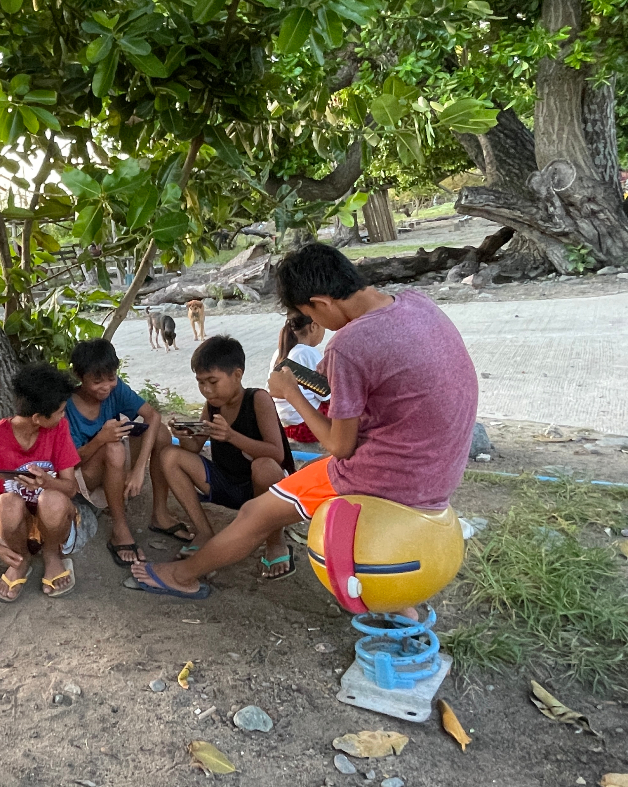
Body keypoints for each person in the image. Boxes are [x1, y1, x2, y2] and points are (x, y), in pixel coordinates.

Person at [129, 242, 478, 603]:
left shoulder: (349, 344)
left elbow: (340, 447)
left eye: (306, 315)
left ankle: (183, 576)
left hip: (392, 474)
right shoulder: (415, 302)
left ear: (322, 304)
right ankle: (397, 606)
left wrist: (292, 394)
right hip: (441, 468)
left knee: (255, 514)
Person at [156, 335, 296, 581]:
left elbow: (277, 453)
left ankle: (275, 541)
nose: (207, 390)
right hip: (227, 484)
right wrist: (184, 433)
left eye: (213, 381)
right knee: (169, 456)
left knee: (264, 466)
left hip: (265, 491)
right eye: (200, 383)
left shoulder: (258, 399)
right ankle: (203, 532)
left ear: (237, 375)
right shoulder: (212, 406)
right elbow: (193, 449)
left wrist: (231, 436)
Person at [0, 362, 81, 602]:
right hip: (14, 521)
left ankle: (52, 556)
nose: (64, 416)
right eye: (61, 411)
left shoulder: (58, 429)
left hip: (53, 516)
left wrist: (47, 482)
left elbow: (71, 488)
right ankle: (20, 559)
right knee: (6, 504)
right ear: (37, 418)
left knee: (52, 499)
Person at [64, 339, 169, 567]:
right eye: (97, 381)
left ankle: (160, 513)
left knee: (160, 432)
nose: (106, 387)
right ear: (79, 376)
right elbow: (69, 463)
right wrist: (100, 438)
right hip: (83, 475)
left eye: (111, 378)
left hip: (115, 460)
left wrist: (139, 469)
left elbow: (153, 416)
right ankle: (120, 529)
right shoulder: (66, 408)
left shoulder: (115, 389)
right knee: (112, 447)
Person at [269, 312, 330, 443]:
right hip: (307, 426)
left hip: (288, 426)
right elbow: (326, 395)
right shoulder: (307, 352)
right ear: (313, 326)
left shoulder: (279, 352)